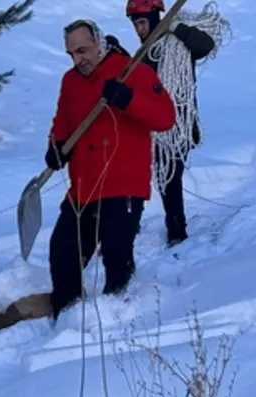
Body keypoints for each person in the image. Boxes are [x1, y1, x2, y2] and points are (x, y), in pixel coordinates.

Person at [45, 19, 175, 318]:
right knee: (63, 252)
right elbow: (62, 121)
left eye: (83, 50)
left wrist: (128, 99)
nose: (78, 60)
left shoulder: (133, 72)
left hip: (123, 184)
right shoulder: (70, 81)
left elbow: (165, 117)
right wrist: (56, 146)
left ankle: (120, 314)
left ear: (99, 43)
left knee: (116, 254)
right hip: (83, 188)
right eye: (72, 54)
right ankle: (68, 318)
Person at [127, 0, 215, 247]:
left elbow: (205, 45)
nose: (139, 30)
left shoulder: (179, 45)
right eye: (135, 25)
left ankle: (177, 232)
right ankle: (130, 228)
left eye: (143, 23)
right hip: (151, 126)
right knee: (139, 176)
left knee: (169, 178)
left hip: (179, 126)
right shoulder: (145, 54)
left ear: (156, 18)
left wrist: (177, 28)